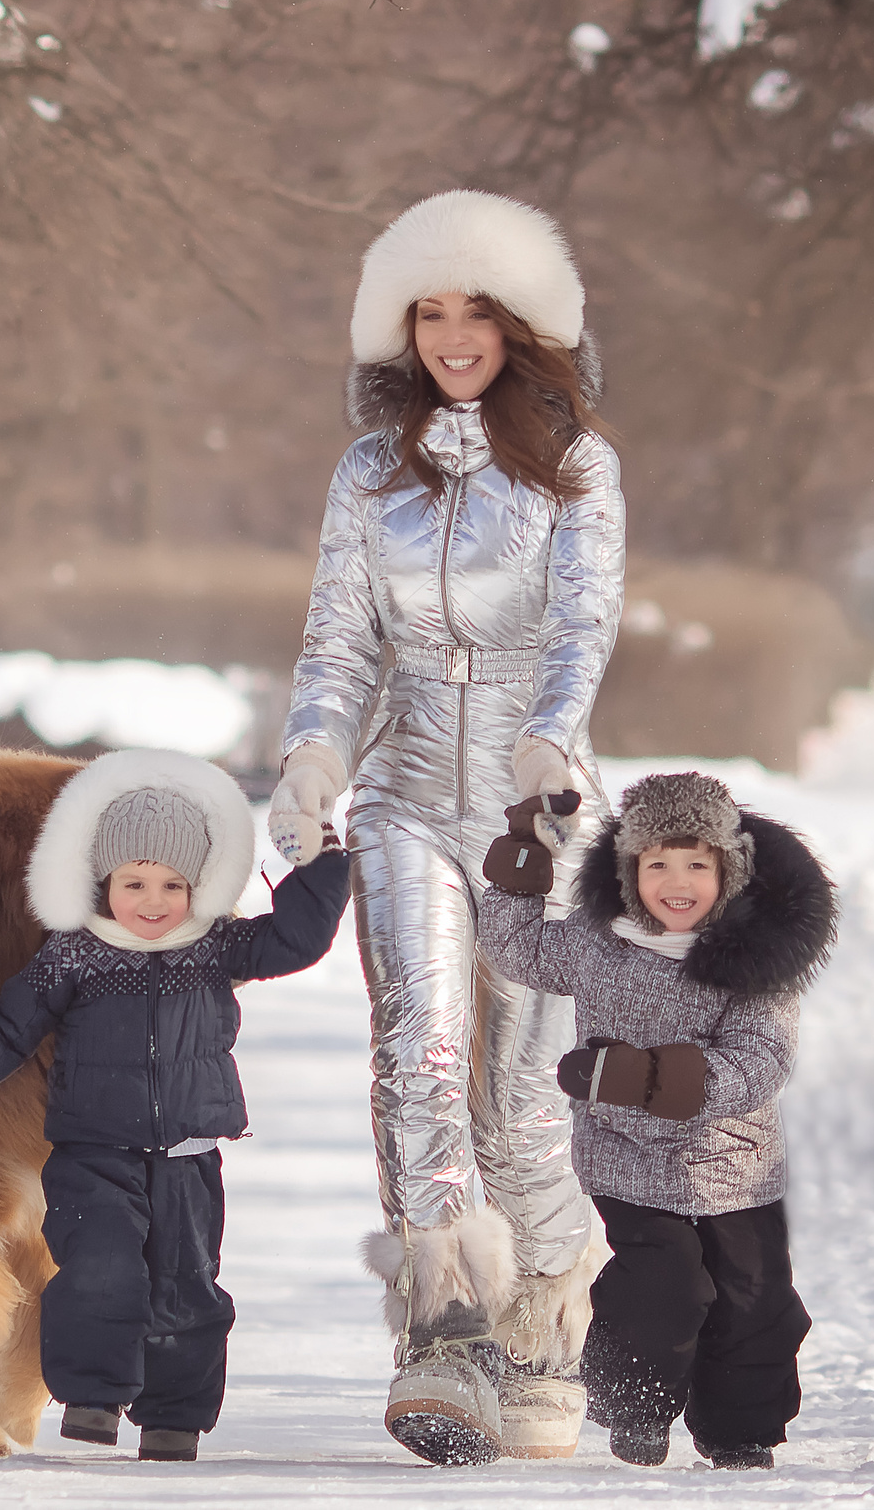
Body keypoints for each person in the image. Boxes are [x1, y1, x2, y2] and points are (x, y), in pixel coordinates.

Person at [267, 189, 624, 1464]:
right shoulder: (370, 471)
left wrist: (551, 735)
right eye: (429, 311)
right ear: (400, 330)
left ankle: (548, 1295)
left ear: (523, 326)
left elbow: (582, 625)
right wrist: (315, 751)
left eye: (476, 310)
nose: (453, 335)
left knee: (520, 1094)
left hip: (537, 810)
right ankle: (447, 1326)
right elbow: (337, 642)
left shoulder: (579, 464)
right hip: (408, 790)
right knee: (416, 1047)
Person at [0, 748, 351, 1462]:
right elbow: (6, 1029)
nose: (152, 899)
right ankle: (92, 1392)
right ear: (102, 881)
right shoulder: (73, 957)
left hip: (188, 1156)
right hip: (92, 1150)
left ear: (197, 888)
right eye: (134, 881)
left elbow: (295, 937)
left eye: (172, 884)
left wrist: (321, 865)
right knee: (99, 1267)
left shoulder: (213, 949)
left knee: (188, 1288)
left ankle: (175, 1414)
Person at [476, 769, 835, 1470]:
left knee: (753, 1300)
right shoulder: (597, 940)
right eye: (658, 863)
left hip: (733, 1162)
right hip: (628, 1158)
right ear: (628, 867)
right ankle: (635, 1398)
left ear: (727, 869)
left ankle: (740, 1429)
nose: (678, 881)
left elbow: (760, 1057)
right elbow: (518, 950)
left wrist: (646, 1078)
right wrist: (521, 866)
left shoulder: (754, 958)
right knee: (664, 1284)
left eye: (697, 864)